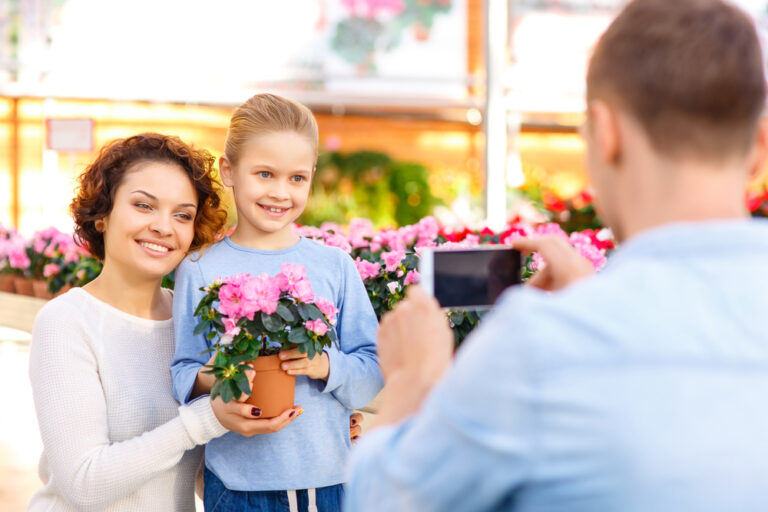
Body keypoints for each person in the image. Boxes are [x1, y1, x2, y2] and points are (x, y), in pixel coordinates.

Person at [345, 0, 768, 510]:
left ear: (606, 133)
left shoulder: (538, 345)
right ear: (759, 146)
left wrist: (413, 382)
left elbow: (387, 499)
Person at [28, 133, 265, 511]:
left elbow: (206, 476)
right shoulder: (66, 322)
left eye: (182, 215)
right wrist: (207, 417)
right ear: (102, 215)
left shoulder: (197, 323)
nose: (163, 226)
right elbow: (84, 484)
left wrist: (308, 430)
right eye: (143, 206)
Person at [171, 93, 383, 511]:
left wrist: (325, 366)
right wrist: (221, 376)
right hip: (236, 487)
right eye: (264, 174)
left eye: (297, 178)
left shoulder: (334, 265)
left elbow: (374, 369)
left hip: (331, 484)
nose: (280, 193)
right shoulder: (198, 269)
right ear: (229, 171)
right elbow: (183, 372)